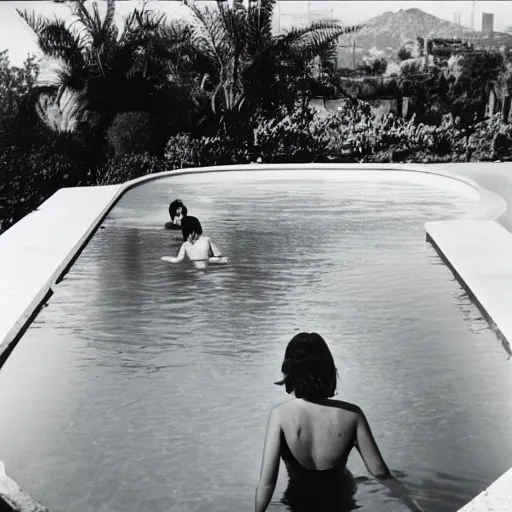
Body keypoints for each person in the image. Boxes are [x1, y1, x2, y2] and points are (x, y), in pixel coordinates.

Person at [255, 332, 426, 512]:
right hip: (340, 501)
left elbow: (267, 484)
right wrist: (414, 507)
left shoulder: (280, 415)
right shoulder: (352, 414)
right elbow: (380, 472)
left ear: (289, 371)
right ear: (328, 369)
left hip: (298, 502)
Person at [163, 216, 227, 269]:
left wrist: (165, 259)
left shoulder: (206, 241)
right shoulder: (187, 244)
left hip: (197, 273)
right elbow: (221, 258)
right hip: (204, 272)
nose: (189, 236)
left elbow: (177, 260)